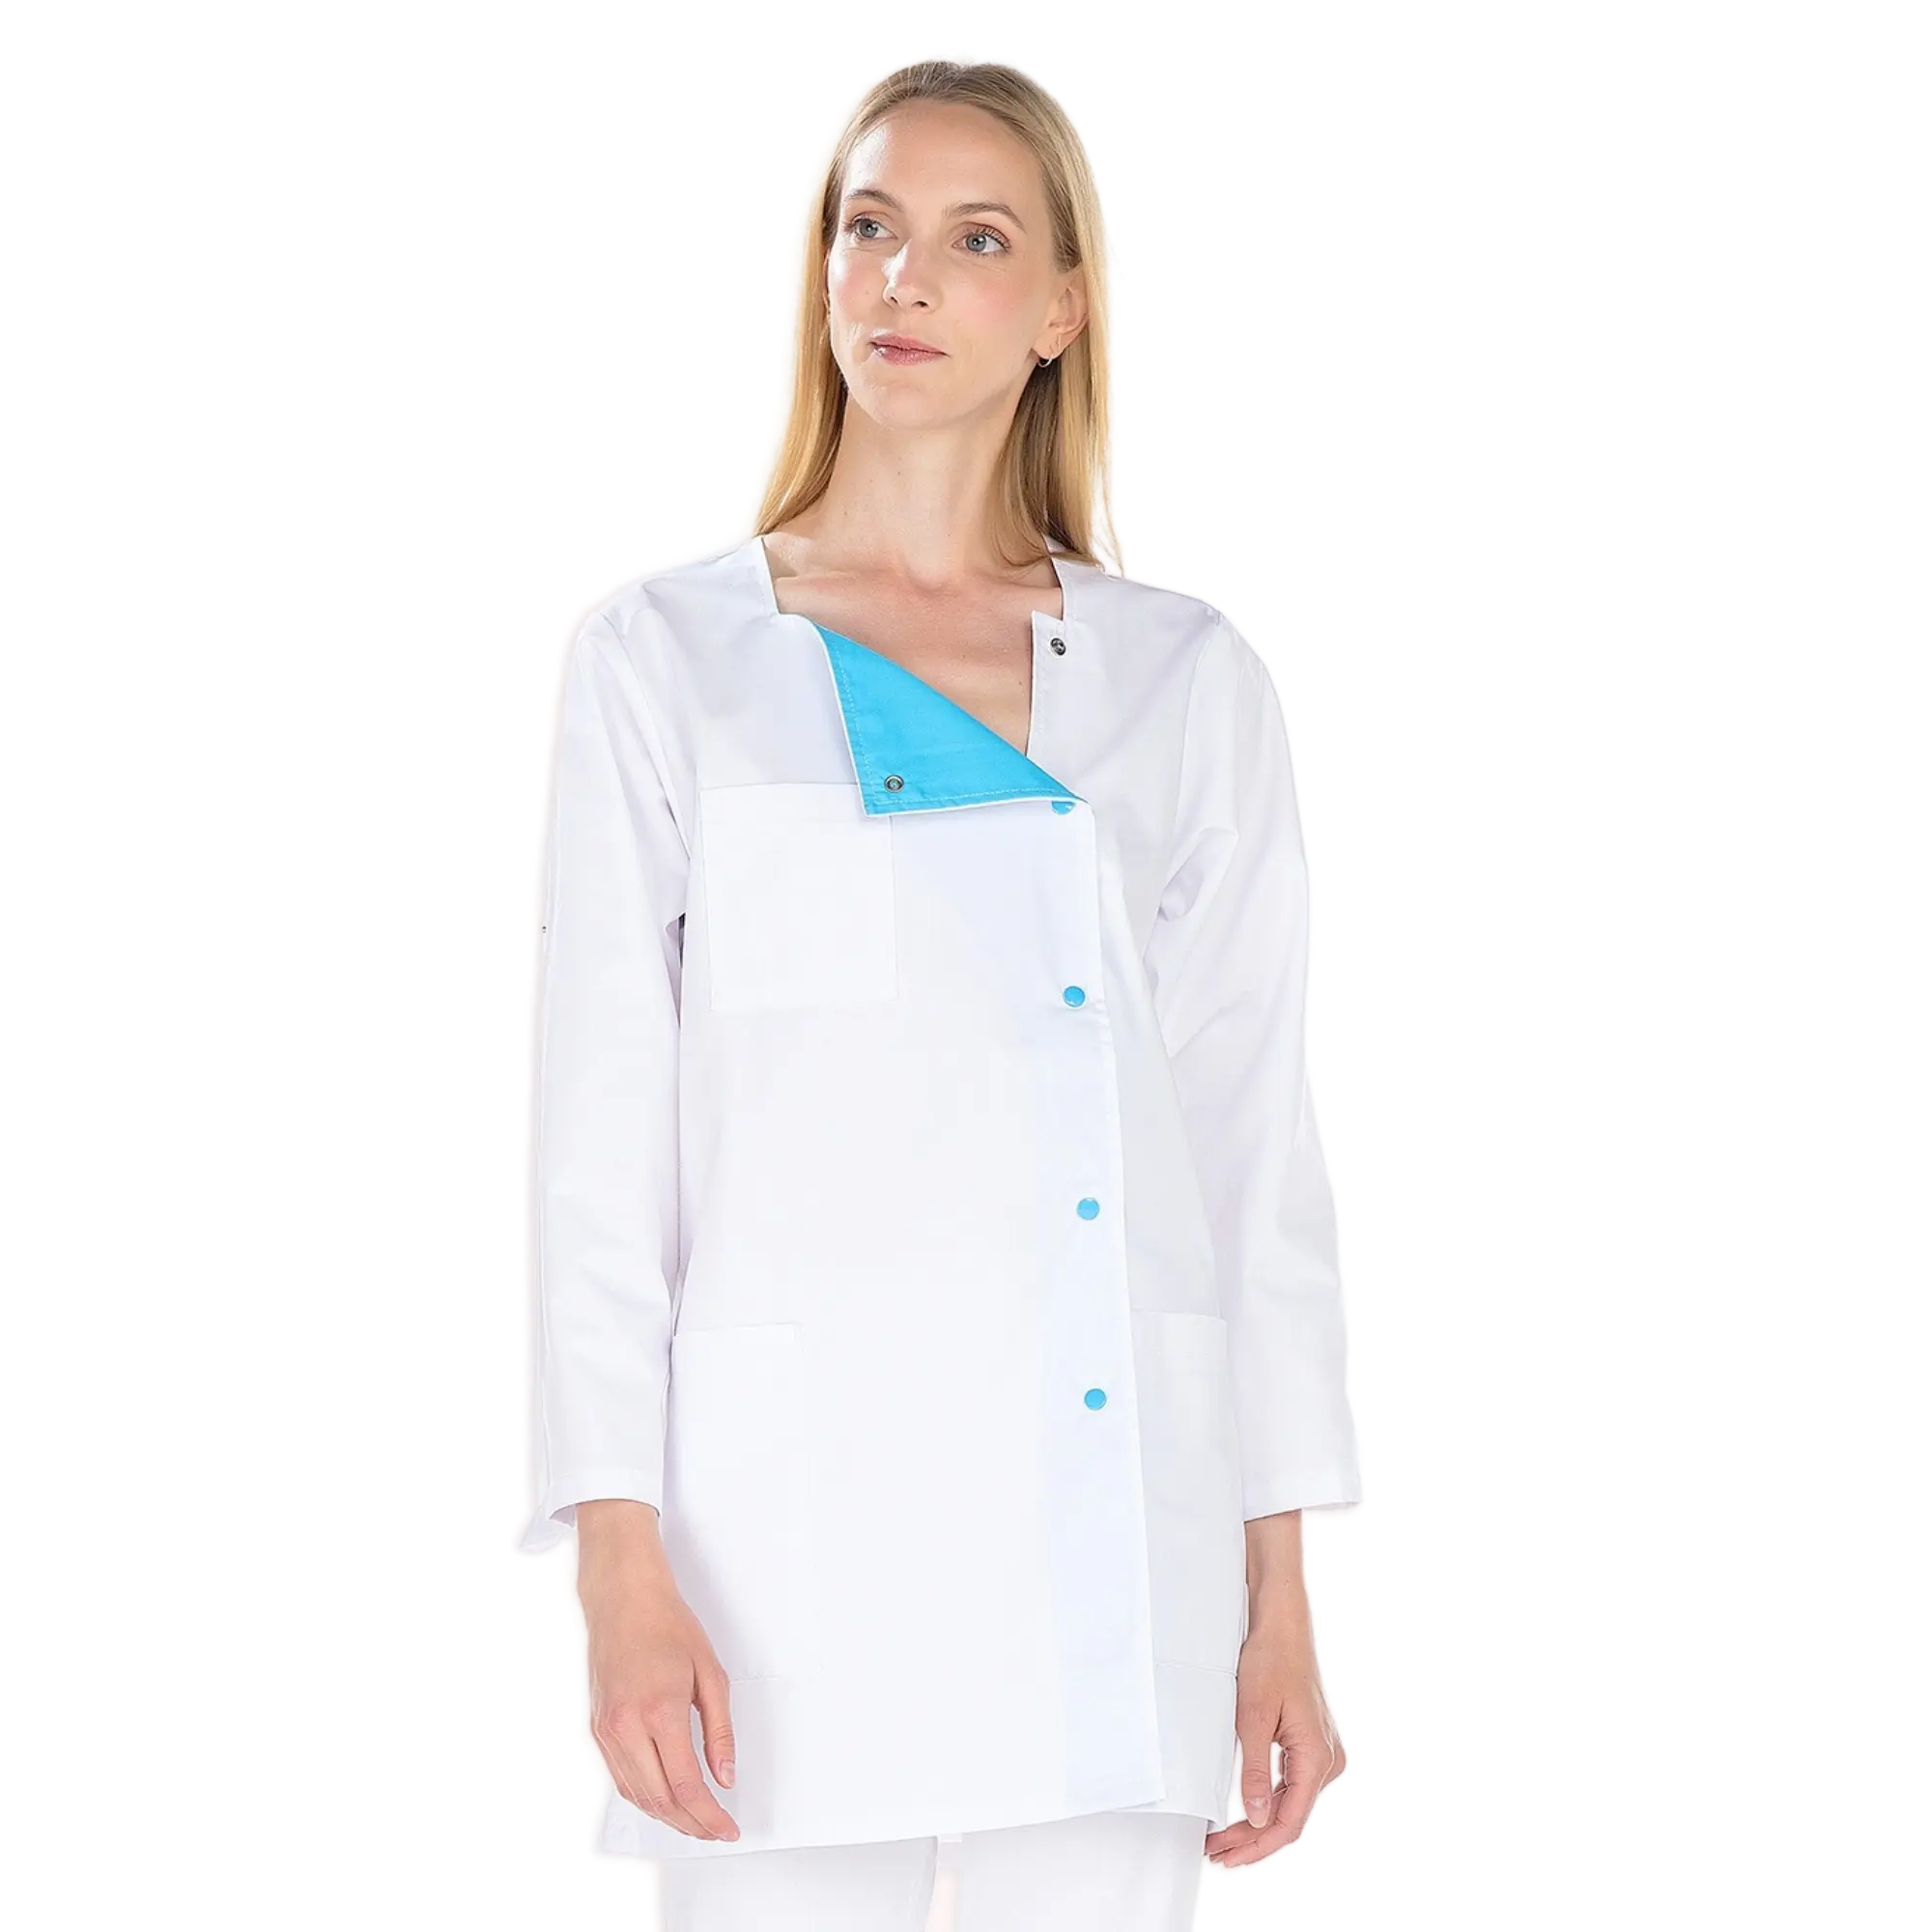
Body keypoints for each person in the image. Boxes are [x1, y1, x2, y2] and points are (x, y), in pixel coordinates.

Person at [513, 50, 1367, 1931]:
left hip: (1111, 1576)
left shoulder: (1186, 678)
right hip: (779, 1586)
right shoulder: (659, 656)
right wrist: (612, 1564)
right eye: (869, 226)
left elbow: (1253, 1164)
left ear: (1062, 307)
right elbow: (592, 1154)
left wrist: (1276, 1606)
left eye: (976, 239)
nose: (902, 277)